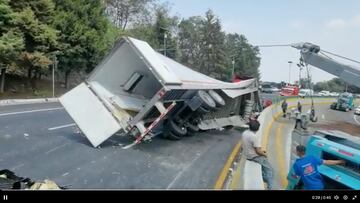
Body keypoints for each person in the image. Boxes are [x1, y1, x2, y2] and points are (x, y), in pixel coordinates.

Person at [242, 119, 274, 189]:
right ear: (258, 128)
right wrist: (264, 154)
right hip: (255, 157)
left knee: (264, 170)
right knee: (270, 171)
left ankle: (265, 179)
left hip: (248, 155)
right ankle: (270, 187)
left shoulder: (245, 133)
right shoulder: (254, 137)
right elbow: (258, 151)